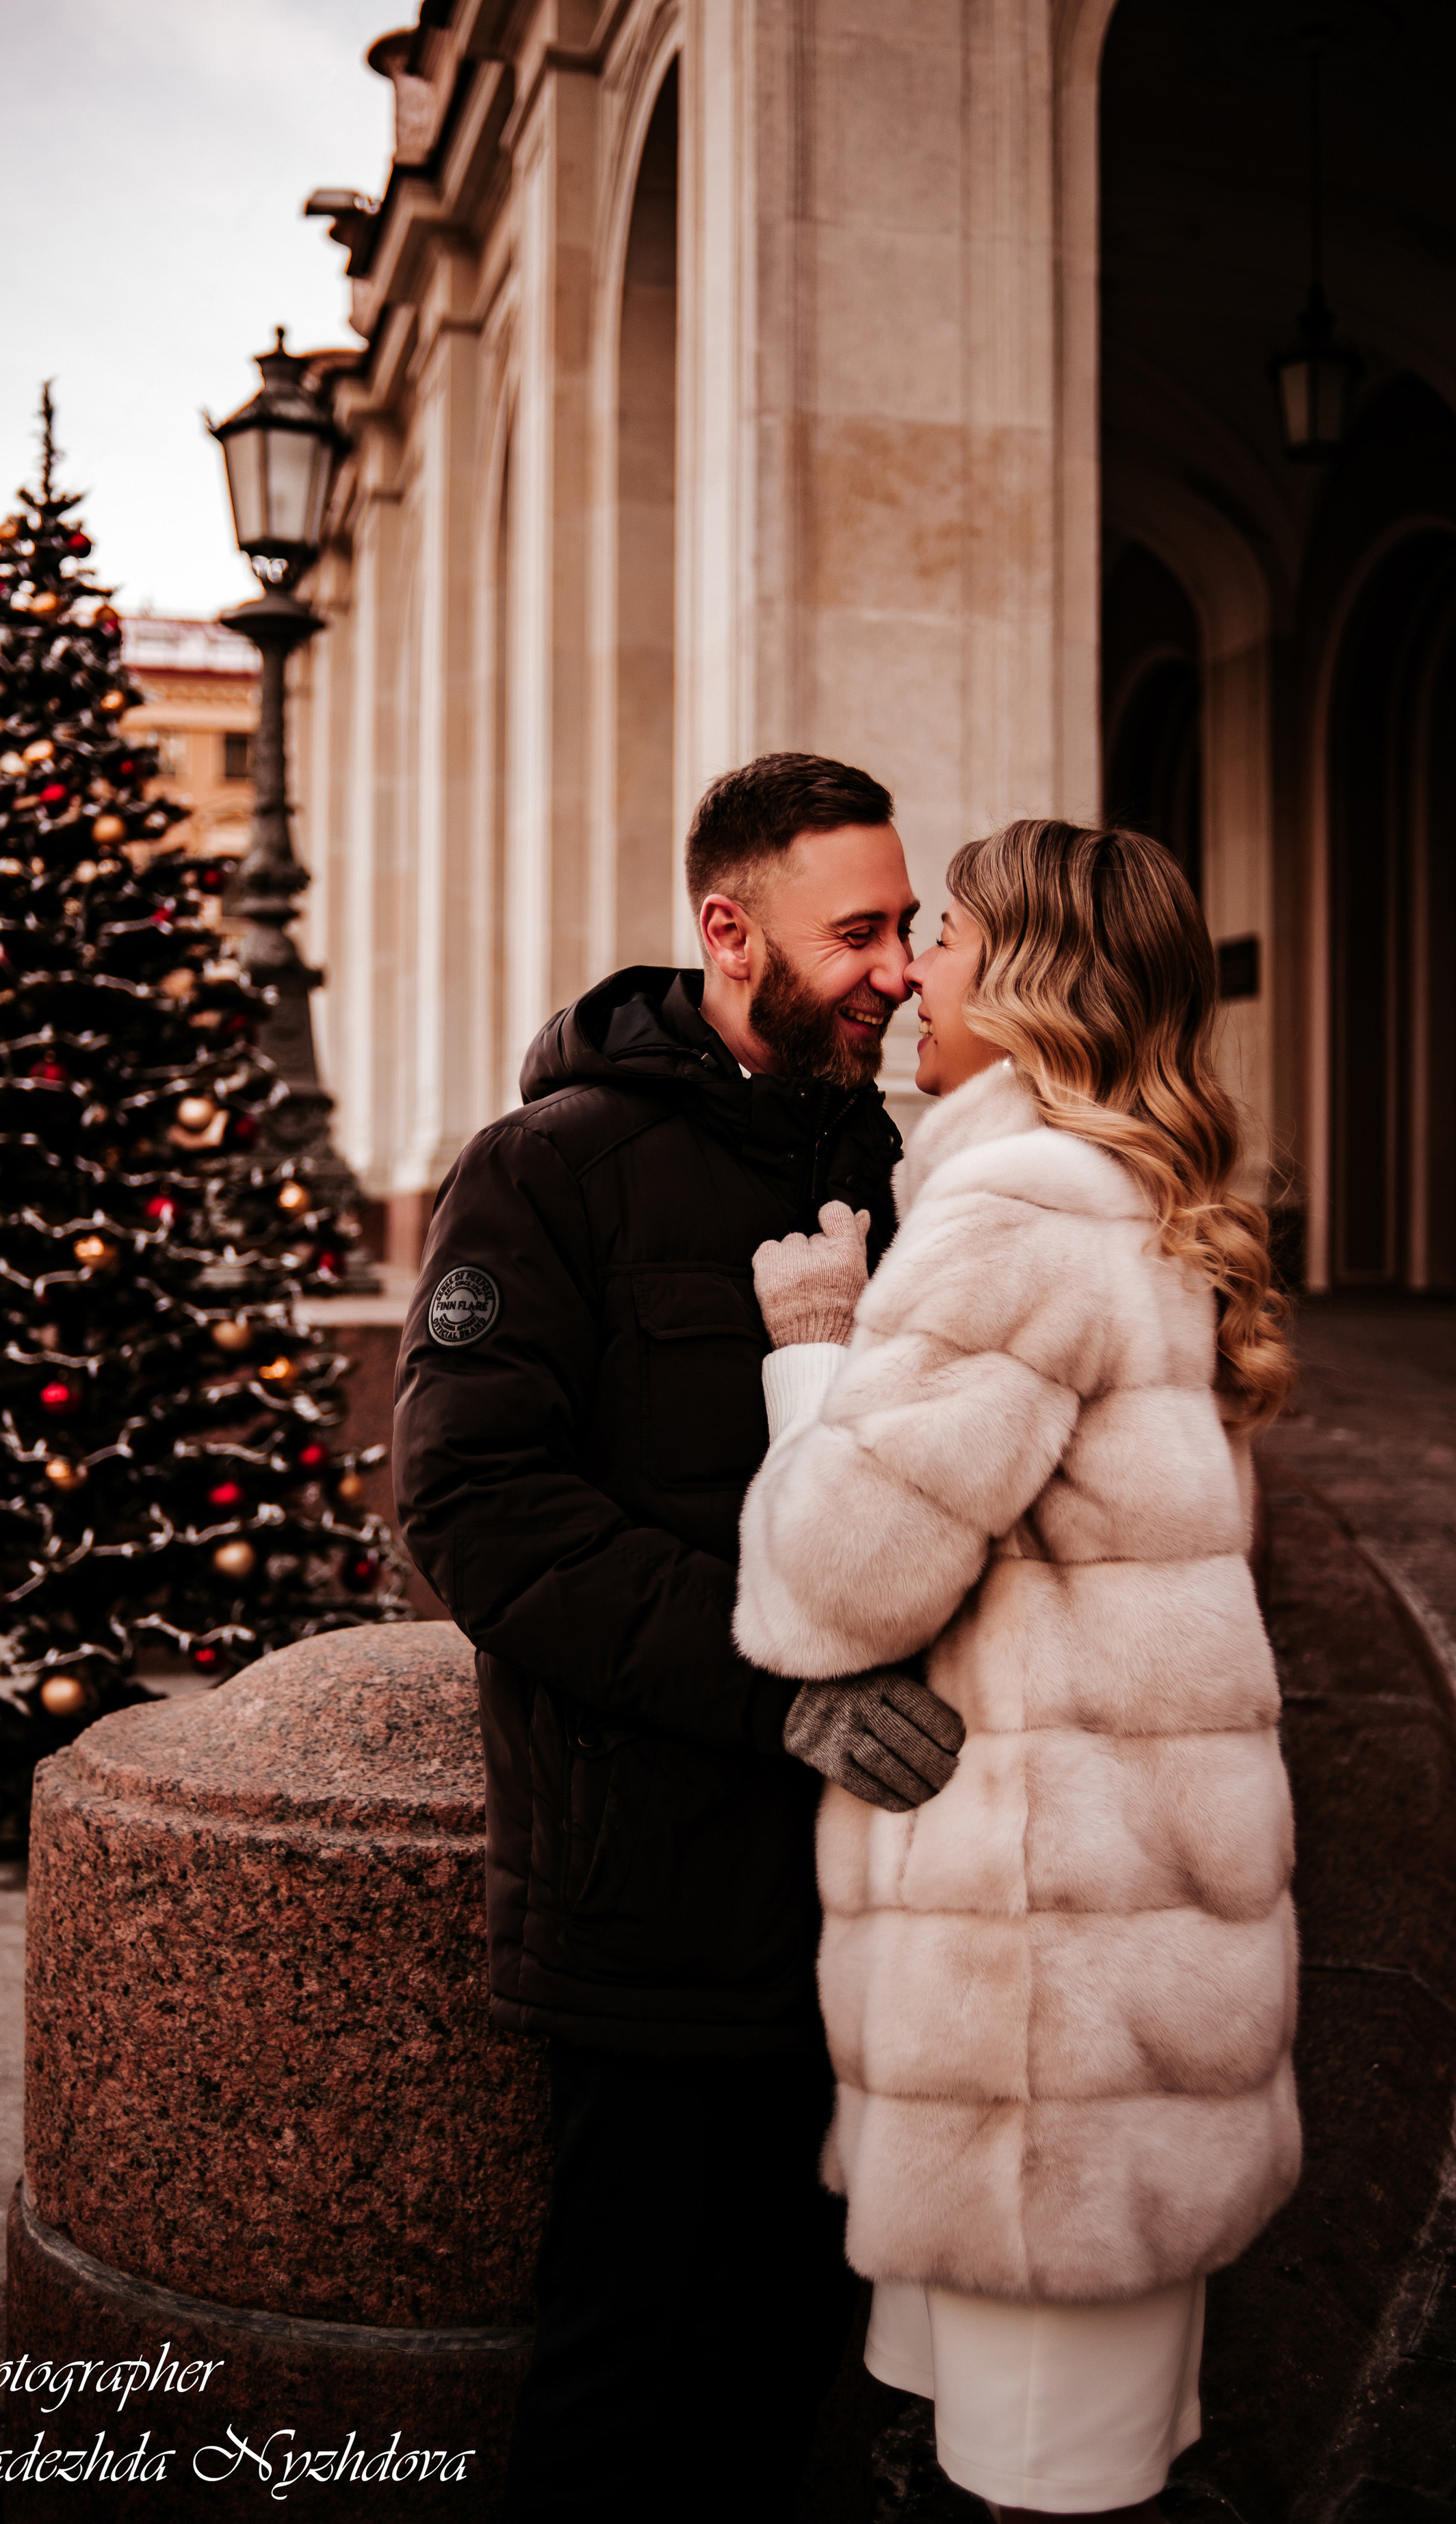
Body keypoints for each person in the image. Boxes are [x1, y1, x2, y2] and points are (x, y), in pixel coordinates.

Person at [393, 754, 968, 2519]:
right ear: (728, 932)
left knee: (797, 2377)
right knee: (627, 2392)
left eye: (903, 928)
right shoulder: (546, 1169)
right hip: (651, 1910)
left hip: (875, 1904)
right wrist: (777, 1691)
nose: (892, 967)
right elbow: (475, 1507)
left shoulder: (912, 1161)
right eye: (852, 932)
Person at [735, 818, 1301, 2523]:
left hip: (1037, 2022)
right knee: (1041, 2461)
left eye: (952, 939)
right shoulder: (1130, 1195)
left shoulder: (1014, 1212)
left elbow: (826, 1584)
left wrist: (814, 1350)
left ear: (1034, 983)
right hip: (1101, 1986)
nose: (910, 973)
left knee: (1039, 2488)